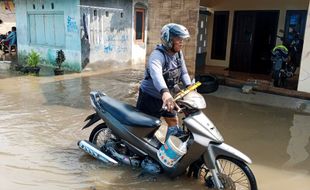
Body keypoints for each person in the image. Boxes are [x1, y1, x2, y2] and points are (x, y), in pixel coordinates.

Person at [136, 23, 192, 140]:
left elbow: (184, 73)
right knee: (147, 130)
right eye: (178, 39)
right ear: (168, 39)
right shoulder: (157, 56)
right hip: (150, 98)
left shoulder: (178, 54)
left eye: (182, 39)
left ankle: (167, 151)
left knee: (173, 120)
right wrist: (165, 93)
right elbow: (157, 76)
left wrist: (189, 87)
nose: (181, 42)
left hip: (168, 99)